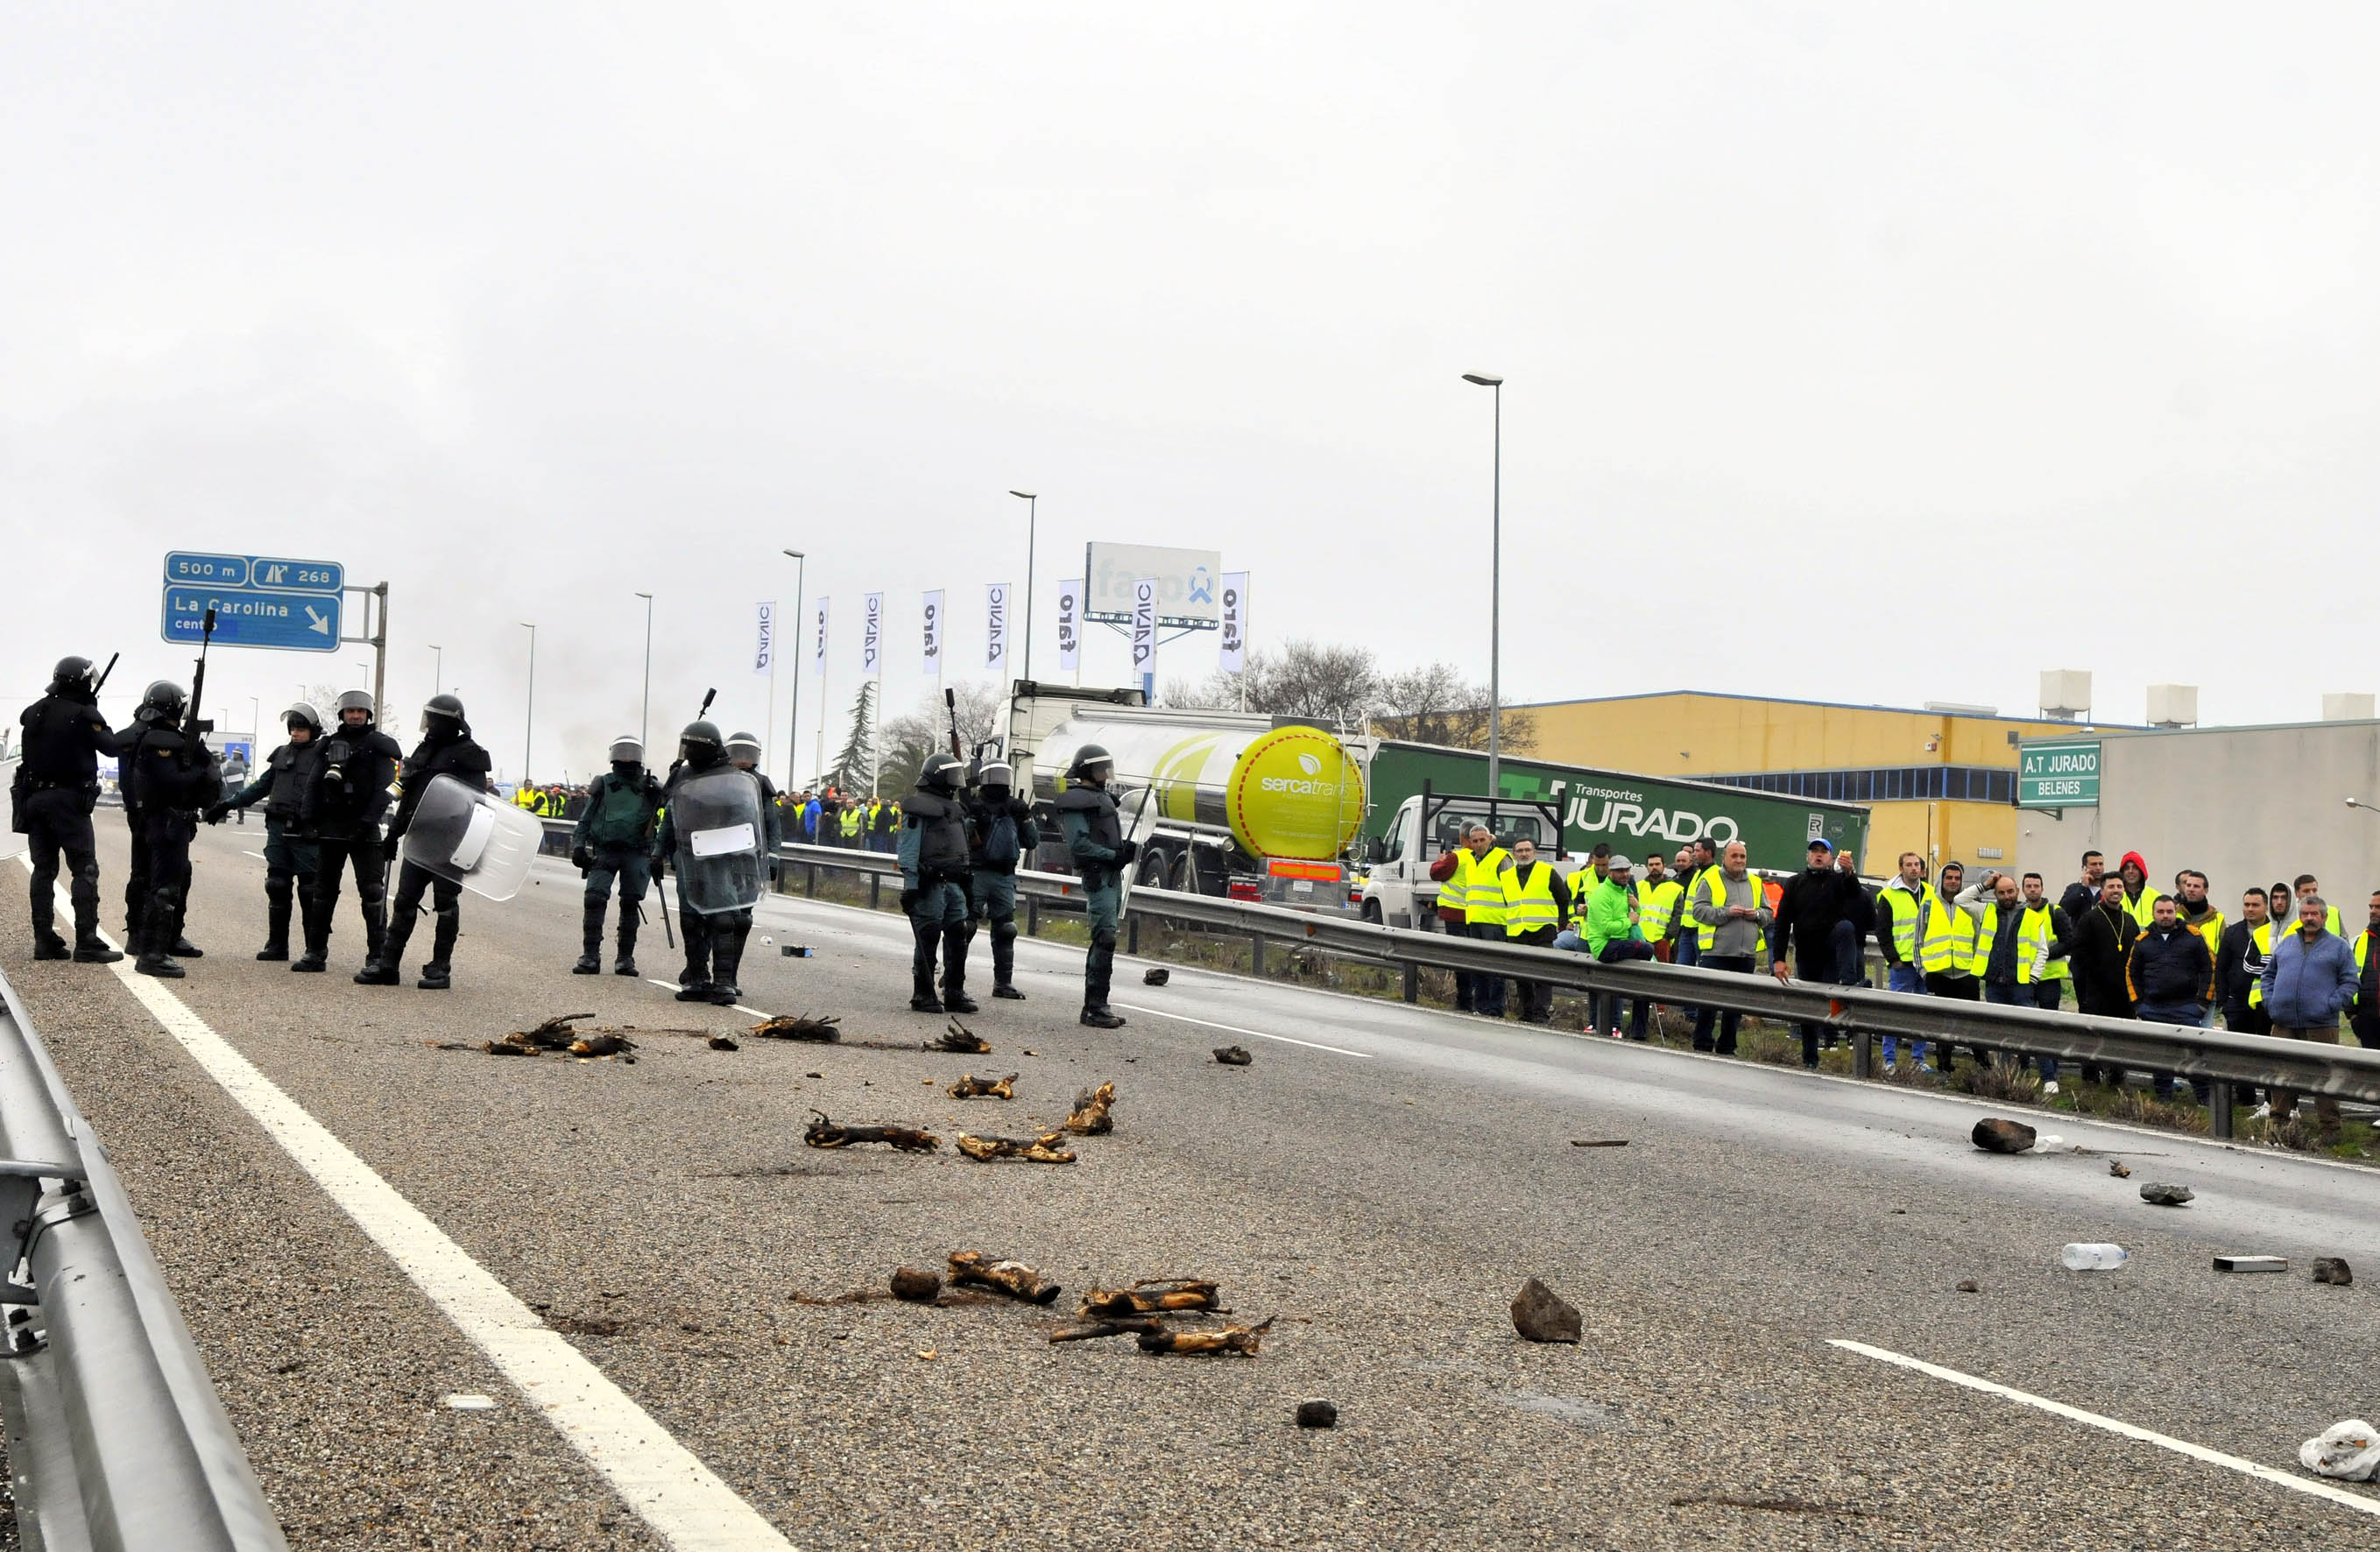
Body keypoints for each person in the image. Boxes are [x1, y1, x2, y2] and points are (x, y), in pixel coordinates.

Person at [358, 694, 492, 989]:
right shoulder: (424, 750)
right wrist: (393, 834)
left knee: (445, 904)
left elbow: (478, 806)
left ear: (446, 721)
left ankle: (440, 968)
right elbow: (409, 798)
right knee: (404, 902)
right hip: (420, 838)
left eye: (432, 719)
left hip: (450, 842)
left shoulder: (469, 755)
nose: (428, 724)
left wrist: (470, 848)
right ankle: (388, 965)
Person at [13, 656, 123, 963]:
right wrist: (94, 712)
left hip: (35, 800)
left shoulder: (34, 711)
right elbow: (111, 747)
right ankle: (87, 942)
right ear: (81, 682)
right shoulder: (83, 713)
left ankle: (44, 940)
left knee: (43, 869)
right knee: (84, 868)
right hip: (68, 802)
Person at [117, 681, 222, 977]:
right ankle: (152, 955)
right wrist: (201, 766)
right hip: (165, 821)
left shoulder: (158, 737)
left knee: (168, 881)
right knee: (163, 888)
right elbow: (174, 781)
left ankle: (161, 943)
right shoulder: (158, 740)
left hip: (164, 820)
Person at [205, 702, 324, 960]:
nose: (295, 733)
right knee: (277, 885)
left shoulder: (323, 756)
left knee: (310, 891)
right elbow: (260, 787)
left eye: (301, 728)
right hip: (278, 827)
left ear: (313, 730)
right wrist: (227, 804)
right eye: (293, 728)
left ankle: (314, 950)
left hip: (306, 830)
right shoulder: (282, 754)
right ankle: (277, 945)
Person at [656, 720, 763, 1005]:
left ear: (709, 748)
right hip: (688, 856)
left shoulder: (731, 777)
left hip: (719, 857)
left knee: (723, 918)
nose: (688, 751)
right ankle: (697, 978)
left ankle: (724, 982)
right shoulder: (683, 775)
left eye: (693, 747)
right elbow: (671, 815)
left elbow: (744, 813)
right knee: (690, 920)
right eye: (686, 746)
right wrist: (658, 851)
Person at [297, 690, 401, 974]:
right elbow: (314, 784)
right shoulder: (329, 744)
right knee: (322, 893)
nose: (355, 715)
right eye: (350, 711)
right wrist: (307, 820)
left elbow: (384, 791)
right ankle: (315, 953)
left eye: (360, 711)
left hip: (364, 829)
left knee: (373, 893)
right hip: (332, 827)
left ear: (368, 714)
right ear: (342, 714)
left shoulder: (379, 746)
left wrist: (366, 823)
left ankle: (377, 957)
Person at [2260, 892, 2358, 1139]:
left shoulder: (2338, 946)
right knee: (2281, 1074)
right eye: (2305, 914)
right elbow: (2268, 975)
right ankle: (2277, 1125)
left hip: (2321, 1025)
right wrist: (2271, 1002)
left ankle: (2330, 1131)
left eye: (2314, 914)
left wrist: (2331, 1005)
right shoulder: (2288, 943)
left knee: (2325, 1078)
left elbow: (2350, 982)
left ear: (2324, 917)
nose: (2309, 918)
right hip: (2283, 1022)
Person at [569, 735, 665, 976]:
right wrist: (579, 846)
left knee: (630, 902)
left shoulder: (650, 787)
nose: (627, 758)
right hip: (606, 850)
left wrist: (660, 853)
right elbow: (586, 818)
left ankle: (625, 958)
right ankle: (590, 956)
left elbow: (671, 811)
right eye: (622, 753)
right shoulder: (604, 784)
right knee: (594, 898)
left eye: (631, 754)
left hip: (637, 852)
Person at [1053, 744, 1131, 1028]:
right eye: (1100, 769)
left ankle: (1094, 1006)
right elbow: (1079, 844)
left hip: (1112, 875)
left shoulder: (1103, 799)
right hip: (1098, 875)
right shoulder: (1077, 801)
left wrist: (1124, 850)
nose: (1105, 774)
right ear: (1087, 770)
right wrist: (1112, 855)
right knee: (1105, 937)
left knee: (1106, 938)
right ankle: (1097, 1007)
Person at [1769, 837, 1861, 1068]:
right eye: (1814, 851)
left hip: (1832, 954)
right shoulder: (1795, 883)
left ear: (1831, 858)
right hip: (1807, 953)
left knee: (1846, 927)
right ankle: (1810, 1059)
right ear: (1807, 856)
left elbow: (1856, 895)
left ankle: (1848, 983)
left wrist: (1849, 873)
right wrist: (1778, 959)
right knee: (1808, 1008)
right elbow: (1782, 923)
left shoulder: (1839, 880)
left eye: (1823, 852)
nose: (1818, 855)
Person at [896, 752, 974, 1013]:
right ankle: (923, 993)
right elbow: (909, 849)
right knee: (929, 934)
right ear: (938, 776)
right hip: (930, 883)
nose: (955, 781)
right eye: (951, 775)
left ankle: (954, 992)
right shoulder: (918, 806)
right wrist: (911, 885)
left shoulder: (954, 808)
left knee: (958, 934)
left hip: (954, 882)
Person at [964, 759, 1039, 1000]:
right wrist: (971, 820)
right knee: (966, 925)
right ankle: (954, 977)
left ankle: (1003, 983)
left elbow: (1032, 840)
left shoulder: (1014, 808)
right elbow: (961, 838)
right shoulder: (974, 807)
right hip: (978, 872)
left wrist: (1025, 817)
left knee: (1006, 928)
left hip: (1003, 875)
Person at [2127, 894, 2214, 1098]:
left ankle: (2204, 1098)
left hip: (2187, 1008)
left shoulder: (2194, 936)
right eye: (2161, 912)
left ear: (2176, 912)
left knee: (2194, 1055)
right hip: (2153, 1010)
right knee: (2160, 1058)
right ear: (2153, 914)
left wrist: (2202, 1003)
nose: (2165, 916)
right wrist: (2138, 1005)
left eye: (2169, 911)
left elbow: (2209, 969)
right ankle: (2163, 1098)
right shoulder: (2142, 941)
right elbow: (2131, 972)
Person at [1686, 840, 1769, 1054]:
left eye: (1742, 856)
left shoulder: (1755, 882)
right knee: (1708, 1003)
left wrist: (1756, 914)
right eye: (1734, 856)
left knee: (1736, 1006)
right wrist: (1726, 912)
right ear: (1724, 858)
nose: (1739, 860)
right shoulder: (1710, 879)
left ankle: (1727, 1046)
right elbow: (1698, 912)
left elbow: (1768, 913)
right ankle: (1702, 1043)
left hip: (1746, 954)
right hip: (1716, 952)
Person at [2067, 873, 2139, 1084]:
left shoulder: (2129, 920)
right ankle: (2090, 1078)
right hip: (2097, 992)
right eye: (2111, 887)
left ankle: (2117, 1077)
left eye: (2119, 886)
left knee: (2121, 1039)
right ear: (2102, 890)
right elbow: (2079, 953)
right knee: (2093, 1038)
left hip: (2124, 993)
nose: (2116, 890)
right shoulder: (2090, 919)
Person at [1872, 851, 1939, 1069]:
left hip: (1926, 962)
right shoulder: (1889, 894)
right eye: (1909, 865)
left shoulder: (1930, 892)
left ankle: (1918, 1060)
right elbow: (1883, 931)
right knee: (1895, 1013)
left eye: (1917, 864)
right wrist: (1894, 959)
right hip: (1903, 963)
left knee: (1923, 1014)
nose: (1914, 868)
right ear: (1901, 868)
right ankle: (1889, 1060)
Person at [1429, 822, 1502, 1012]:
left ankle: (1465, 1001)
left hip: (1457, 914)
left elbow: (1436, 873)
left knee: (1461, 960)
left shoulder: (1458, 857)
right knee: (1479, 960)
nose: (1478, 843)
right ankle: (1481, 1003)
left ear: (1461, 838)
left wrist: (1440, 860)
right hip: (1476, 914)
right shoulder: (1483, 858)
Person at [1500, 836, 1569, 1024]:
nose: (1524, 854)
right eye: (1520, 851)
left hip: (1542, 931)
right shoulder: (1506, 876)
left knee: (1543, 975)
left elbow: (1563, 898)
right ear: (1514, 854)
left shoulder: (1547, 871)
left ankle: (1541, 1014)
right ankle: (1527, 1012)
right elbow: (1509, 902)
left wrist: (1562, 922)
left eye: (1527, 850)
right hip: (1517, 932)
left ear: (1534, 852)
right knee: (1521, 976)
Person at [1584, 854, 1652, 1037]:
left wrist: (1637, 907)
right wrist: (1629, 921)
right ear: (1610, 872)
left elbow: (1634, 918)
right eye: (1620, 871)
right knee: (1647, 950)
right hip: (1604, 946)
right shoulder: (1602, 894)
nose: (1625, 874)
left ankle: (1638, 1032)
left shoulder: (1625, 891)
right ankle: (1618, 1024)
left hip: (1620, 943)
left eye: (1627, 870)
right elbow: (1607, 927)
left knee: (1643, 985)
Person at [1456, 824, 1515, 1019]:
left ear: (1490, 839)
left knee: (1495, 969)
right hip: (1475, 920)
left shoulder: (1501, 858)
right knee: (1478, 966)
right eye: (1475, 841)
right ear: (1470, 843)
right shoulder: (1472, 860)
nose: (1479, 844)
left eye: (1482, 840)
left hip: (1495, 922)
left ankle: (1495, 1008)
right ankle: (1480, 1006)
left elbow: (1511, 890)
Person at [2173, 870, 2224, 1028]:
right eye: (2188, 885)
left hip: (2206, 990)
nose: (2191, 889)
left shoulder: (2218, 919)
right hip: (2177, 987)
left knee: (2203, 1035)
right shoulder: (2174, 915)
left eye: (2196, 886)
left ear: (2206, 890)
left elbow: (2222, 957)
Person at [2058, 850, 2106, 921]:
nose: (2098, 868)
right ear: (2084, 868)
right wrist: (2083, 887)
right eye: (2094, 864)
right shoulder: (2074, 888)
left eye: (2101, 864)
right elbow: (2063, 911)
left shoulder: (2108, 889)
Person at [2292, 874, 2345, 938]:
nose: (2311, 894)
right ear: (2297, 893)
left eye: (2314, 890)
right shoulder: (2291, 913)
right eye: (2306, 891)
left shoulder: (2332, 911)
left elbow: (2344, 938)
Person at [2115, 850, 2155, 931]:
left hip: (2148, 939)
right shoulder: (2113, 896)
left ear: (2141, 871)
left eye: (2135, 868)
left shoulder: (2155, 897)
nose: (2131, 871)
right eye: (2127, 868)